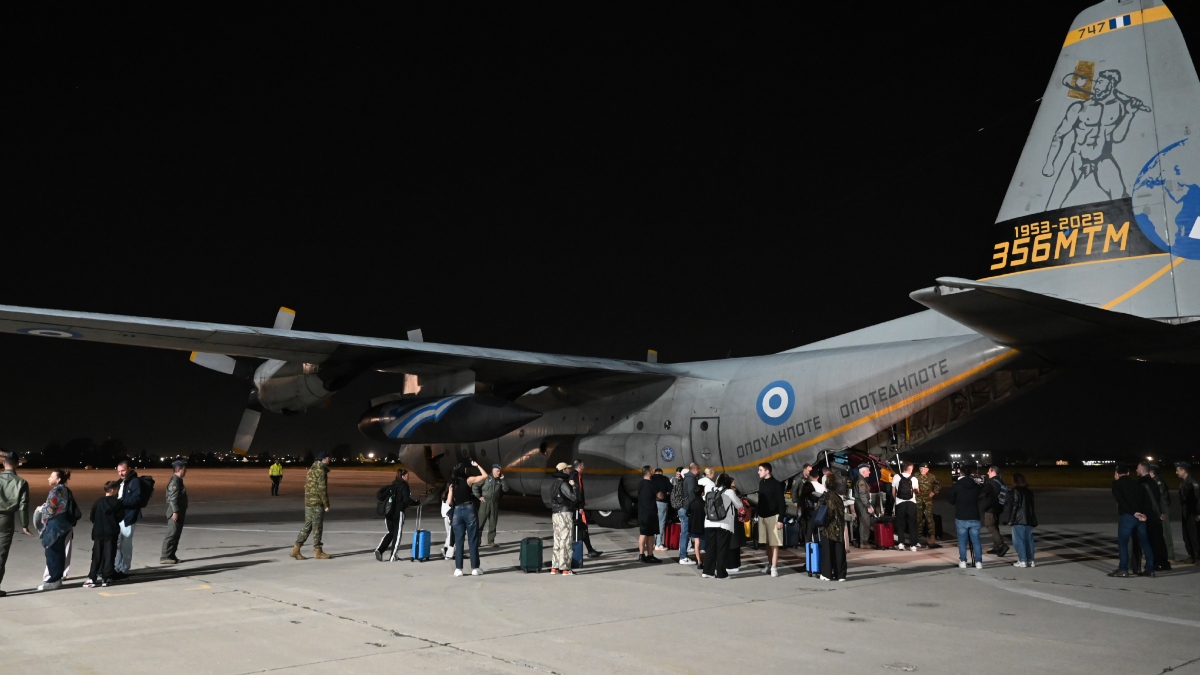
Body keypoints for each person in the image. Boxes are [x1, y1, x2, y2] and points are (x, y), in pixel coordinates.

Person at [1109, 464, 1156, 578]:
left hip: (1128, 516)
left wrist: (1133, 512)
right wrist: (1144, 514)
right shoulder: (1137, 484)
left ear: (1117, 473)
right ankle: (1150, 569)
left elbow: (1121, 501)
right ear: (1128, 473)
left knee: (1123, 543)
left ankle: (1123, 568)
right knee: (1145, 543)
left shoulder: (1117, 484)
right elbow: (1147, 501)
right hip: (1141, 517)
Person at [0, 451, 33, 597]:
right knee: (1, 555)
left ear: (3, 463)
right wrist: (24, 525)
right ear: (17, 465)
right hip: (6, 519)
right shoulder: (21, 482)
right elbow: (23, 505)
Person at [448, 460, 487, 576]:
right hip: (469, 509)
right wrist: (477, 465)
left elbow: (449, 502)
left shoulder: (452, 484)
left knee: (459, 541)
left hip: (457, 512)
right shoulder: (468, 480)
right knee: (473, 539)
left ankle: (458, 569)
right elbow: (484, 476)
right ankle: (475, 568)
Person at [39, 469, 76, 591]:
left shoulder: (55, 491)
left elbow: (50, 510)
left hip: (55, 524)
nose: (49, 478)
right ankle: (58, 578)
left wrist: (40, 509)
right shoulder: (66, 490)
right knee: (59, 551)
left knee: (52, 550)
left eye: (51, 476)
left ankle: (53, 580)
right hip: (64, 524)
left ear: (58, 479)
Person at [291, 452, 332, 561]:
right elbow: (322, 489)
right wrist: (326, 504)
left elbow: (307, 485)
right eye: (328, 457)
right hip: (316, 502)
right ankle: (318, 551)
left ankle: (296, 549)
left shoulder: (311, 469)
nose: (330, 459)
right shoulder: (321, 471)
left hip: (309, 502)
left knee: (308, 526)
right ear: (324, 459)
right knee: (317, 527)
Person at [701, 473, 743, 580]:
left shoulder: (710, 490)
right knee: (722, 549)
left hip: (709, 522)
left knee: (710, 548)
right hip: (724, 524)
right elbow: (739, 505)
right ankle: (721, 573)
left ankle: (707, 571)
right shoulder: (729, 492)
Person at [375, 468, 420, 561]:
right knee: (397, 534)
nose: (408, 478)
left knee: (390, 532)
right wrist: (416, 502)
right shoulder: (404, 486)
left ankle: (379, 550)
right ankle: (393, 555)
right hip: (398, 513)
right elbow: (406, 500)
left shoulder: (393, 484)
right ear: (403, 476)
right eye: (407, 476)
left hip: (388, 512)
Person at [86, 480, 124, 587]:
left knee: (97, 555)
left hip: (98, 532)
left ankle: (92, 577)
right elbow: (120, 517)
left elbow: (92, 516)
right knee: (109, 555)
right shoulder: (117, 503)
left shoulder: (98, 502)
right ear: (113, 490)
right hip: (111, 533)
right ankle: (106, 578)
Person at [1136, 462, 1170, 571]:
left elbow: (1153, 500)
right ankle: (1163, 562)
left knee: (1153, 541)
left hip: (1150, 516)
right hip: (1154, 515)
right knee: (1159, 540)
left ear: (1142, 470)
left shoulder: (1144, 483)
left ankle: (1158, 563)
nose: (1136, 470)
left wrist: (1158, 514)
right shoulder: (1152, 482)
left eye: (1137, 468)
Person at [948, 464, 983, 569]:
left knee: (962, 540)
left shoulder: (956, 486)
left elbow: (951, 500)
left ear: (960, 472)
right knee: (976, 540)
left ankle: (963, 560)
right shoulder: (976, 486)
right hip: (974, 515)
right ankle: (978, 562)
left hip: (961, 516)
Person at [113, 459, 143, 579]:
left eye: (123, 470)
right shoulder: (120, 482)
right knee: (118, 542)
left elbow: (136, 499)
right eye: (119, 471)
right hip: (119, 516)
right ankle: (116, 567)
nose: (121, 473)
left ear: (130, 468)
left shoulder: (135, 482)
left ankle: (124, 568)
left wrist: (120, 502)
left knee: (126, 543)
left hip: (128, 516)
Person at [755, 462, 785, 577]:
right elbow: (760, 500)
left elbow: (781, 503)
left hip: (774, 516)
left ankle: (774, 567)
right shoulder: (761, 483)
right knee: (766, 542)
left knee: (775, 543)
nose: (758, 472)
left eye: (760, 470)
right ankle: (769, 564)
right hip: (762, 516)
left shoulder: (776, 484)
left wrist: (780, 519)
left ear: (767, 471)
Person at [549, 462, 579, 575]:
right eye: (567, 469)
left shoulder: (553, 484)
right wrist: (574, 486)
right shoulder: (563, 484)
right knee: (566, 540)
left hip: (555, 514)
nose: (569, 471)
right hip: (564, 514)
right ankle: (565, 568)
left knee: (557, 540)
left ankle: (554, 567)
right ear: (563, 470)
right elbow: (573, 497)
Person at [472, 464, 509, 548]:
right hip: (485, 502)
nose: (499, 473)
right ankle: (477, 541)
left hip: (494, 503)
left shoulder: (500, 480)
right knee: (480, 523)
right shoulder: (486, 478)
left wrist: (503, 480)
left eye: (500, 471)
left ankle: (491, 541)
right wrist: (478, 496)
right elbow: (475, 486)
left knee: (493, 522)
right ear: (493, 470)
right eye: (497, 471)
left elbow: (506, 489)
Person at [818, 474, 847, 581]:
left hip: (828, 527)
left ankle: (827, 574)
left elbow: (818, 510)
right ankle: (841, 575)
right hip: (839, 527)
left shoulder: (825, 497)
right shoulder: (838, 498)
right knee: (839, 551)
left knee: (827, 551)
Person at [159, 460, 189, 564]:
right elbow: (172, 498)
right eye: (184, 469)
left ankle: (171, 555)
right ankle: (165, 556)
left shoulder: (178, 480)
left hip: (178, 510)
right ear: (179, 470)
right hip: (174, 510)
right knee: (172, 533)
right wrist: (175, 511)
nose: (186, 471)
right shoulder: (174, 481)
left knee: (176, 533)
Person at [572, 460, 602, 558]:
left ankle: (590, 549)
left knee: (582, 529)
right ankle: (588, 550)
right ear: (579, 467)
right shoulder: (576, 476)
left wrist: (583, 502)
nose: (584, 468)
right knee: (582, 528)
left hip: (576, 506)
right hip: (577, 508)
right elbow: (577, 492)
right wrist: (580, 506)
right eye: (583, 466)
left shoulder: (573, 475)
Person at [1007, 473, 1037, 568]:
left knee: (1019, 541)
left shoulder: (1015, 491)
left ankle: (1022, 560)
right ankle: (1031, 560)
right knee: (1029, 540)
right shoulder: (1029, 492)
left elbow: (1015, 506)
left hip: (1019, 519)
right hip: (1029, 519)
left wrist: (1011, 520)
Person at [979, 466, 1009, 557]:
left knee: (989, 525)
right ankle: (996, 547)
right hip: (998, 508)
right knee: (995, 526)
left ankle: (1002, 545)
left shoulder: (991, 483)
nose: (987, 473)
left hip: (990, 509)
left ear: (993, 472)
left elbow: (983, 494)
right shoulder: (1000, 482)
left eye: (989, 471)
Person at [1148, 464, 1175, 564]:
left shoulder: (1158, 483)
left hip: (1163, 509)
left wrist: (1161, 512)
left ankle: (1170, 555)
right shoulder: (1154, 481)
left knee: (1166, 531)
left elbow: (1161, 499)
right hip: (1159, 509)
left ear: (1151, 472)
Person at [637, 466, 663, 563]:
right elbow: (660, 495)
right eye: (652, 470)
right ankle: (650, 555)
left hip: (641, 512)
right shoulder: (652, 484)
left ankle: (641, 554)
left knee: (642, 533)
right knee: (650, 535)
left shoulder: (640, 484)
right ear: (649, 472)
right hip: (650, 512)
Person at [892, 462, 920, 550]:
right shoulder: (914, 478)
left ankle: (901, 543)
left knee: (900, 523)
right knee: (912, 524)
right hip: (911, 503)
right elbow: (917, 490)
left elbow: (893, 491)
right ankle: (913, 545)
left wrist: (896, 500)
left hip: (900, 503)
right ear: (910, 468)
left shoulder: (896, 477)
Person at [676, 464, 699, 564]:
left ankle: (683, 555)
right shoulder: (691, 479)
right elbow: (691, 494)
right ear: (695, 470)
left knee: (684, 533)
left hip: (683, 508)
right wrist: (693, 508)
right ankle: (683, 557)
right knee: (685, 533)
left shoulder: (687, 478)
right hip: (686, 509)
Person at [1177, 462, 1198, 564]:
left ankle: (1198, 557)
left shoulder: (1193, 483)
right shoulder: (1185, 482)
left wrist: (1198, 513)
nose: (1176, 472)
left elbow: (1198, 499)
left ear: (1183, 470)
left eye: (1178, 470)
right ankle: (1192, 555)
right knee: (1187, 535)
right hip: (1186, 512)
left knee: (1195, 536)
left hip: (1192, 513)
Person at [916, 462, 941, 548]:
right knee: (918, 517)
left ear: (928, 469)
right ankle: (918, 536)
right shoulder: (915, 476)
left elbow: (938, 484)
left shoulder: (932, 477)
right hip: (918, 500)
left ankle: (932, 535)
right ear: (919, 469)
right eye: (921, 469)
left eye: (925, 469)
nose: (923, 470)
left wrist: (934, 492)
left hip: (928, 500)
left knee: (929, 517)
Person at [853, 465, 875, 549]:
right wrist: (868, 506)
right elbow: (863, 495)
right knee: (865, 523)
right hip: (862, 504)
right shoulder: (861, 481)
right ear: (863, 472)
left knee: (860, 523)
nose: (869, 472)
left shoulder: (857, 479)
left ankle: (859, 541)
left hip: (858, 503)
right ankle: (864, 543)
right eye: (868, 471)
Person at [651, 468, 672, 552]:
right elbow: (671, 489)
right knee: (661, 523)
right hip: (662, 502)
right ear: (661, 473)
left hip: (652, 503)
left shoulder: (651, 478)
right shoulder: (664, 478)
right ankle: (659, 544)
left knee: (654, 522)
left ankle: (653, 542)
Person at [686, 484, 705, 567]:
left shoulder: (692, 502)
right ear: (702, 493)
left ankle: (699, 561)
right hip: (703, 525)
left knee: (696, 543)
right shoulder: (704, 503)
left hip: (694, 525)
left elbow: (687, 513)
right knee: (707, 543)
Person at [440, 483, 455, 560]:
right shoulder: (450, 494)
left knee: (449, 534)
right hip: (450, 516)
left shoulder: (444, 494)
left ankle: (446, 548)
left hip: (445, 516)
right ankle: (448, 551)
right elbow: (450, 504)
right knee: (451, 535)